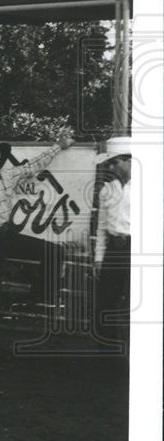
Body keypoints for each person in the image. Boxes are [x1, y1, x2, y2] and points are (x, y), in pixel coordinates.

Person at [0, 129, 74, 342]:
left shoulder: (8, 175)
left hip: (7, 234)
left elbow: (34, 164)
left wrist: (59, 145)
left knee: (54, 251)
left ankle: (36, 297)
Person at [93, 137, 131, 345]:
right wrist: (99, 257)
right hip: (114, 249)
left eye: (115, 162)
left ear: (129, 161)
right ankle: (107, 350)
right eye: (110, 163)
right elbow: (101, 227)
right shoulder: (107, 190)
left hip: (137, 248)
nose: (111, 167)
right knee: (106, 300)